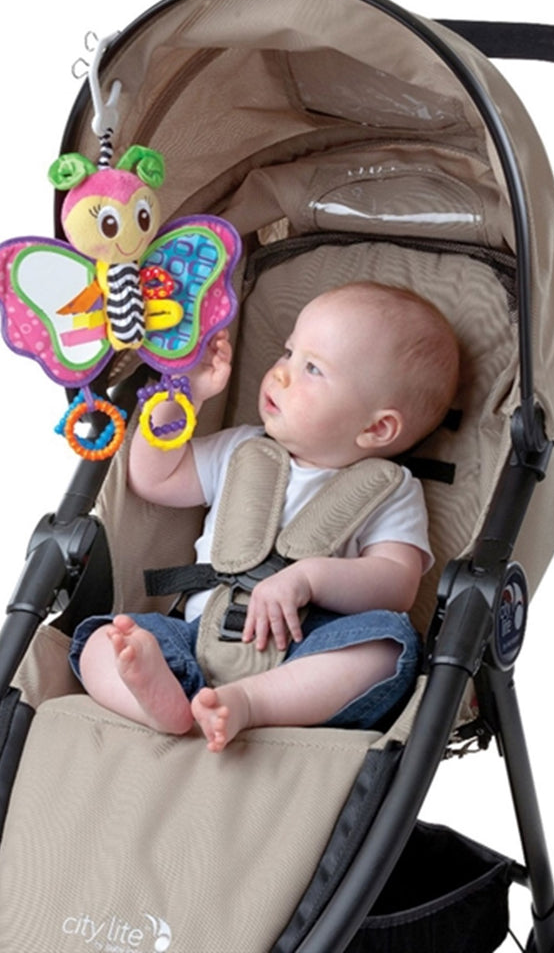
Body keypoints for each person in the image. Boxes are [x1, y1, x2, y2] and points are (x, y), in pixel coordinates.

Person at [69, 282, 460, 751]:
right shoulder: (241, 448)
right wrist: (184, 394)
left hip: (307, 650)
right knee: (99, 642)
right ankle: (162, 705)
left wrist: (309, 579)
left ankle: (250, 702)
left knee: (388, 649)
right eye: (289, 352)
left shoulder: (392, 491)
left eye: (312, 368)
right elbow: (153, 478)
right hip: (197, 639)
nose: (281, 373)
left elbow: (397, 582)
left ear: (377, 427)